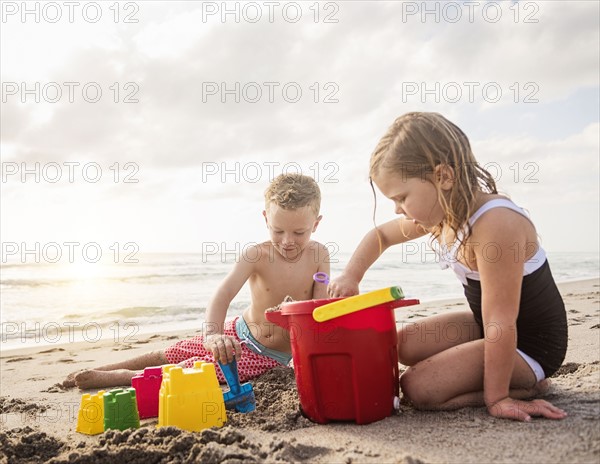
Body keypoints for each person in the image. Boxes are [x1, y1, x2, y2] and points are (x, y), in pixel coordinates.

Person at [328, 112, 568, 422]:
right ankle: (497, 376)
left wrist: (498, 399)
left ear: (443, 177)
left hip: (531, 345)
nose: (398, 209)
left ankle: (524, 385)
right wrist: (351, 275)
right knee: (401, 345)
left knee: (418, 388)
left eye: (401, 197)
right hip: (488, 326)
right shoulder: (446, 211)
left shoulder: (497, 224)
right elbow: (381, 235)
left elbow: (501, 321)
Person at [65, 173, 329, 389]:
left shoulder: (320, 256)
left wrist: (295, 312)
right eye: (278, 230)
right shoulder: (256, 255)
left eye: (299, 232)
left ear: (315, 224)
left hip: (267, 356)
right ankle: (103, 367)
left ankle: (121, 377)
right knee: (173, 352)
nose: (287, 241)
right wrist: (213, 335)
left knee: (190, 371)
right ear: (265, 219)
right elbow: (223, 294)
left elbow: (321, 307)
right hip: (237, 331)